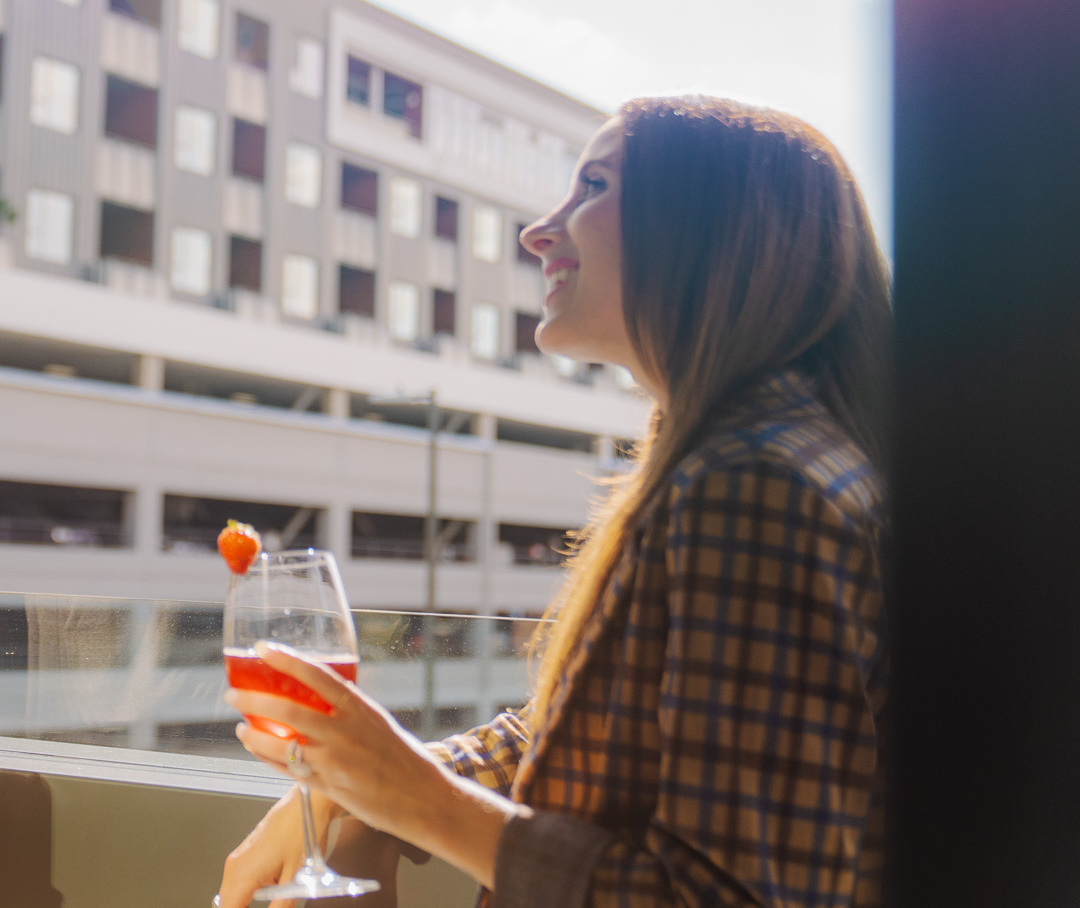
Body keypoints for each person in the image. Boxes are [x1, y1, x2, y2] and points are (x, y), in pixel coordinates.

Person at [217, 96, 890, 908]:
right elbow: (598, 737)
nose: (541, 231)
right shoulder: (758, 456)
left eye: (595, 187)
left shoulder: (753, 488)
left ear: (709, 233)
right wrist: (374, 784)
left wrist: (415, 800)